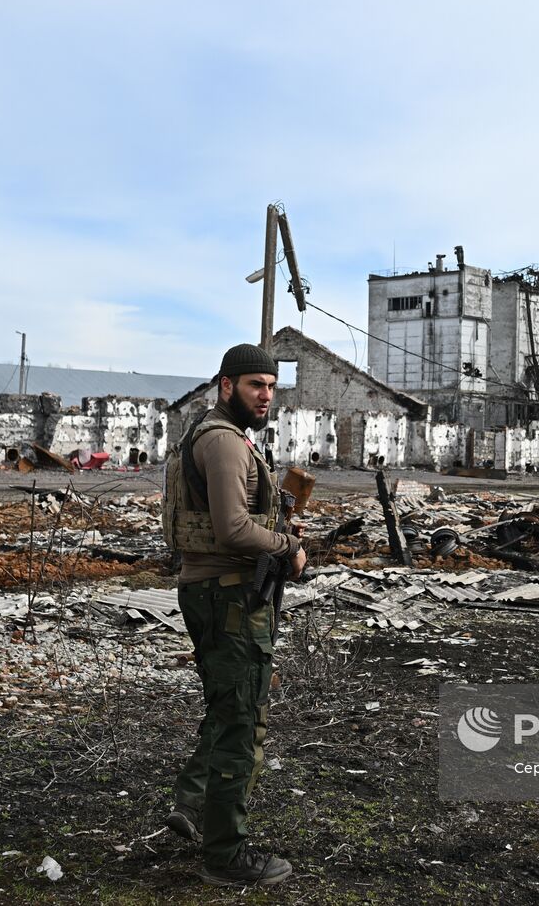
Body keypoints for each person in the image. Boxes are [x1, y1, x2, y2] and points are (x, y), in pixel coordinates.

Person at [161, 343, 305, 887]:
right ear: (227, 386)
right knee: (242, 722)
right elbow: (233, 530)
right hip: (226, 596)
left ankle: (193, 805)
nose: (266, 395)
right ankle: (225, 855)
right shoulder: (223, 443)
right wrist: (289, 545)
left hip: (219, 591)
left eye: (271, 386)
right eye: (255, 386)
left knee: (228, 709)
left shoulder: (221, 435)